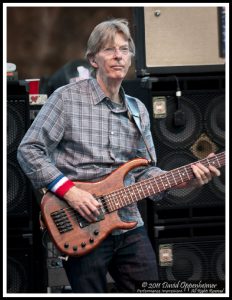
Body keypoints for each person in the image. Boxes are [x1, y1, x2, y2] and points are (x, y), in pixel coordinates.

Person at [17, 19, 221, 293]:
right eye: (109, 49)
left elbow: (145, 173)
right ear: (93, 59)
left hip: (128, 224)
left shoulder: (138, 110)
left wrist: (188, 180)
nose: (118, 56)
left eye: (124, 50)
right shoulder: (66, 99)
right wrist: (70, 192)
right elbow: (29, 149)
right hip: (80, 223)